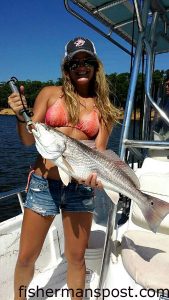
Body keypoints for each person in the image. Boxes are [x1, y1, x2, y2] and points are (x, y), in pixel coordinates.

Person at [8, 37, 119, 300]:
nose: (81, 66)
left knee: (76, 258)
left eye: (87, 61)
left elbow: (99, 154)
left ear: (96, 66)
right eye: (74, 62)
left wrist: (96, 180)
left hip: (80, 190)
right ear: (66, 67)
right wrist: (17, 114)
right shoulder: (49, 93)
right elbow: (27, 138)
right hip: (43, 184)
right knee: (26, 258)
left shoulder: (104, 110)